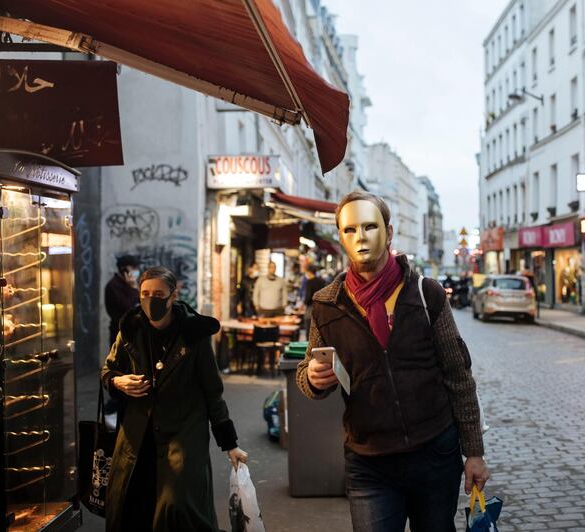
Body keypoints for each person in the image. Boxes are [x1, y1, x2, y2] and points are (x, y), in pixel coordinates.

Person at [296, 191, 489, 531]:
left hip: (434, 453)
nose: (361, 237)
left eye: (370, 226)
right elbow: (308, 375)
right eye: (350, 230)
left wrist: (474, 452)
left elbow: (459, 375)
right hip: (369, 461)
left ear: (389, 231)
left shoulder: (425, 293)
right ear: (340, 236)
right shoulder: (327, 304)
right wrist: (312, 377)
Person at [101, 266, 248, 531]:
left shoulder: (194, 334)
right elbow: (108, 370)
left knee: (178, 506)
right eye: (145, 293)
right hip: (137, 435)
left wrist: (230, 444)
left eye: (158, 293)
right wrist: (117, 382)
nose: (151, 300)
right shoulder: (130, 329)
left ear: (173, 296)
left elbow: (212, 391)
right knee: (131, 503)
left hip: (184, 432)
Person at [104, 255, 140, 347]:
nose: (136, 270)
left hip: (135, 331)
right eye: (134, 268)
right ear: (125, 270)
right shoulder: (113, 286)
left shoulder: (131, 284)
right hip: (119, 332)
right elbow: (127, 307)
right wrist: (134, 289)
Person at [302, 264, 326, 337]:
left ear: (309, 272)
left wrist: (304, 304)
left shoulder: (309, 282)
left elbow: (308, 297)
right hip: (321, 308)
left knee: (309, 331)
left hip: (311, 308)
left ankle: (309, 347)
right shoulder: (322, 281)